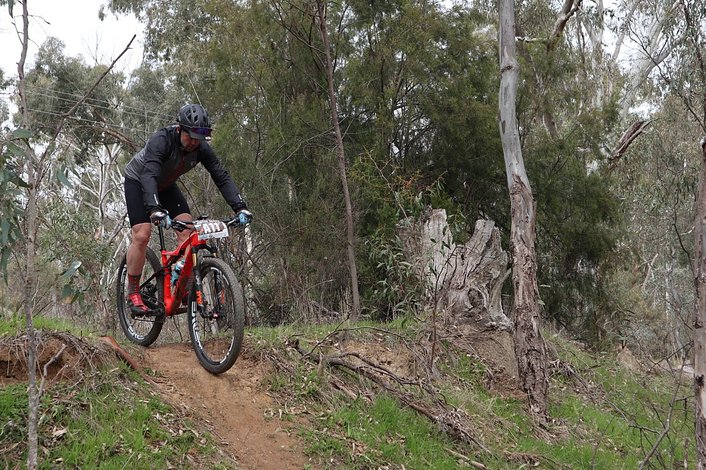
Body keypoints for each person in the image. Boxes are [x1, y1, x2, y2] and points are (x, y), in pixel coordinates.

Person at [123, 103, 251, 314]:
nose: (194, 142)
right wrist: (154, 209)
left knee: (188, 232)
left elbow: (221, 176)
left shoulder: (201, 148)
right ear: (179, 129)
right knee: (142, 234)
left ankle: (184, 285)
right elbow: (149, 175)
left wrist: (240, 207)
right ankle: (133, 292)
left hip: (165, 185)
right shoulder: (161, 140)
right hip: (139, 181)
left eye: (199, 138)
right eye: (190, 136)